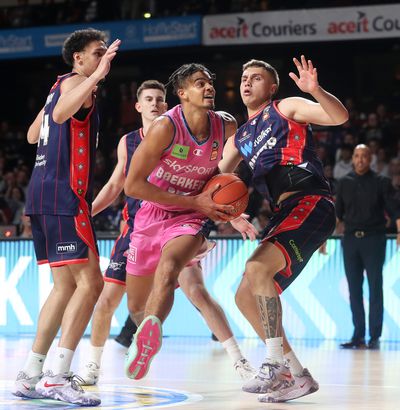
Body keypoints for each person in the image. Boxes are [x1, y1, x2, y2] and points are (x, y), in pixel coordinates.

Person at [81, 78, 256, 385]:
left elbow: (217, 176)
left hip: (184, 220)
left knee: (196, 290)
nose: (155, 103)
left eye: (160, 99)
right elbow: (115, 186)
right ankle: (95, 366)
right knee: (116, 302)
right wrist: (84, 214)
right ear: (138, 106)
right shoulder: (130, 142)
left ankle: (240, 361)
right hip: (139, 225)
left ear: (170, 103)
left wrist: (233, 214)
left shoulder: (185, 130)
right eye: (148, 99)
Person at [216, 56, 348, 403]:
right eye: (244, 77)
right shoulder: (239, 139)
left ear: (271, 87)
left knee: (257, 268)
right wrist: (228, 214)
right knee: (244, 296)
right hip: (284, 213)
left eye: (256, 77)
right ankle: (297, 375)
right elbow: (213, 182)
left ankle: (275, 364)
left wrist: (316, 90)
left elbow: (338, 116)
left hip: (310, 200)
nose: (247, 82)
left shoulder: (285, 107)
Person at [12, 29, 120, 406]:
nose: (103, 57)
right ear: (78, 58)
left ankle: (29, 373)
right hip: (64, 195)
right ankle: (57, 376)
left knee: (65, 288)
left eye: (105, 53)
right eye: (97, 52)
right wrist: (95, 76)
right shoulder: (80, 86)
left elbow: (30, 135)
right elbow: (59, 115)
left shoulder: (58, 86)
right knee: (91, 284)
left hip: (41, 196)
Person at [336, 144, 400, 350]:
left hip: (374, 239)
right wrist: (322, 239)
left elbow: (395, 211)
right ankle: (358, 335)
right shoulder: (344, 183)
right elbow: (338, 213)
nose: (360, 159)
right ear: (353, 159)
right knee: (354, 290)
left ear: (370, 159)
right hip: (351, 240)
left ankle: (374, 336)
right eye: (357, 156)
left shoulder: (382, 182)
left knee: (375, 287)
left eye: (364, 156)